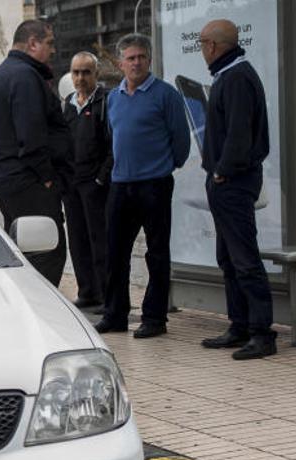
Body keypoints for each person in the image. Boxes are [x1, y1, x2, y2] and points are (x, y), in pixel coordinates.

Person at [94, 34, 191, 339]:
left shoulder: (166, 95)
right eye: (130, 58)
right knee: (115, 253)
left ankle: (154, 318)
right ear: (120, 63)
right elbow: (113, 137)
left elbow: (181, 142)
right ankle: (115, 315)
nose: (136, 62)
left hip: (155, 184)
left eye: (141, 57)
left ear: (149, 60)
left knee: (157, 253)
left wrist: (163, 167)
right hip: (120, 185)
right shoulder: (113, 98)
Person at [197, 19, 276, 359]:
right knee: (228, 257)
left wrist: (221, 173)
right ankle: (239, 325)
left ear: (212, 46)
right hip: (225, 181)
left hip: (233, 182)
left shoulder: (238, 77)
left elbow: (239, 135)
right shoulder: (228, 74)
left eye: (202, 44)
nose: (202, 50)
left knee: (244, 259)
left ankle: (262, 332)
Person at [0, 19, 72, 285]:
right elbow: (31, 136)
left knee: (25, 253)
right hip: (30, 182)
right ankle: (42, 318)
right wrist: (48, 179)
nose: (52, 50)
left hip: (9, 180)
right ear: (33, 43)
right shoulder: (24, 77)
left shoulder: (0, 74)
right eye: (49, 43)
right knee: (47, 253)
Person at [62, 52, 114, 310]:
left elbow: (113, 146)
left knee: (100, 240)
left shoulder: (106, 101)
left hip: (96, 185)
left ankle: (106, 294)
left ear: (96, 74)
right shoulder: (68, 104)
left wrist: (100, 179)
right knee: (78, 240)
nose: (80, 78)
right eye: (76, 72)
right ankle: (87, 291)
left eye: (86, 72)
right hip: (72, 186)